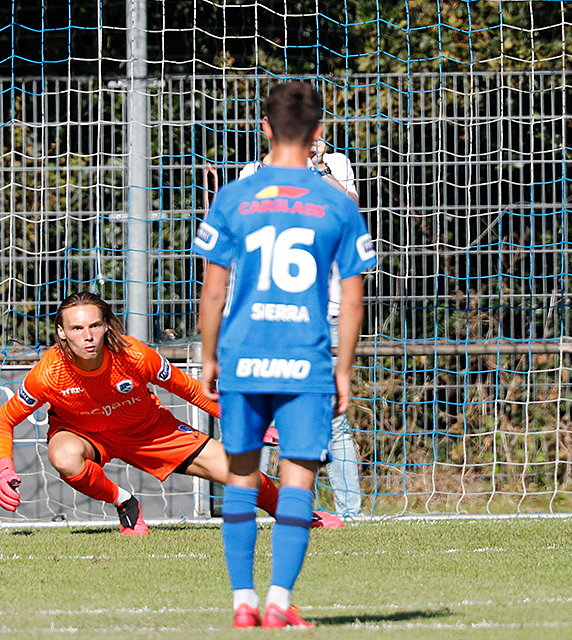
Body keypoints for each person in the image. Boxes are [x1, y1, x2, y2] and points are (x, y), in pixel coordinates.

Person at [194, 80, 376, 628]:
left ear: (265, 128)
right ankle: (279, 602)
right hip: (308, 357)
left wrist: (207, 358)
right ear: (319, 133)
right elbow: (351, 294)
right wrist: (343, 370)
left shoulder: (233, 195)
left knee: (244, 478)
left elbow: (212, 287)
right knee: (298, 479)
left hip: (245, 355)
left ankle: (242, 604)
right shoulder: (337, 203)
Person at [0, 291, 341, 535]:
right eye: (77, 328)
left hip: (152, 432)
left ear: (107, 325)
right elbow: (3, 420)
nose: (88, 336)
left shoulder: (134, 355)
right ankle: (124, 502)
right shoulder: (49, 374)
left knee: (244, 478)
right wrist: (4, 469)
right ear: (62, 333)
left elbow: (187, 388)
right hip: (86, 436)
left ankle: (293, 512)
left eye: (95, 325)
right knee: (63, 456)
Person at [240, 128, 364, 519]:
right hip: (268, 314)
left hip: (320, 313)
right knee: (259, 416)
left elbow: (349, 212)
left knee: (333, 420)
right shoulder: (251, 173)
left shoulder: (335, 165)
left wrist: (317, 167)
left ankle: (352, 514)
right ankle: (258, 508)